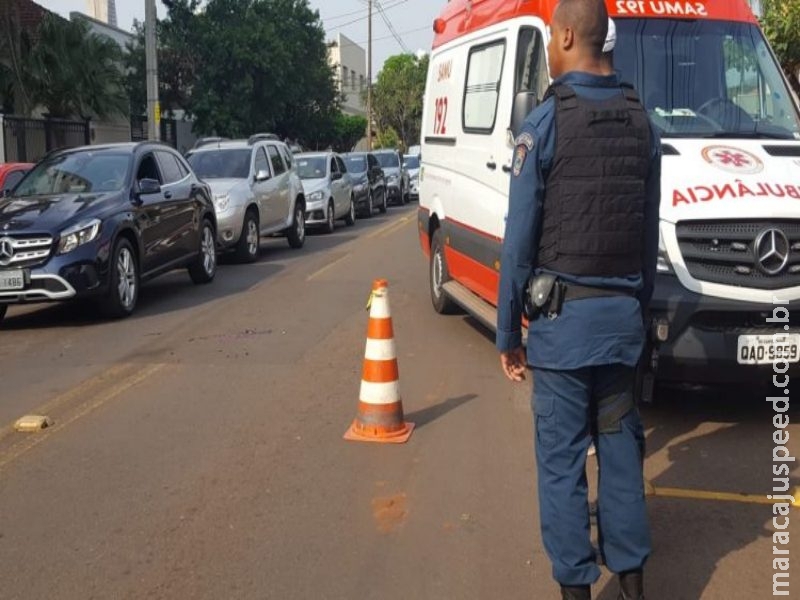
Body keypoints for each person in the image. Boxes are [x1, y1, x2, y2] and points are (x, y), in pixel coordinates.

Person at [496, 1, 661, 599]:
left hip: (563, 336)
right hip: (621, 330)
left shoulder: (543, 126)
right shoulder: (644, 124)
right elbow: (646, 238)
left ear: (566, 34)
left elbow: (518, 244)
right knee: (620, 457)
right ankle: (634, 585)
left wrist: (508, 336)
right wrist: (637, 319)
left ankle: (576, 590)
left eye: (549, 36)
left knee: (563, 465)